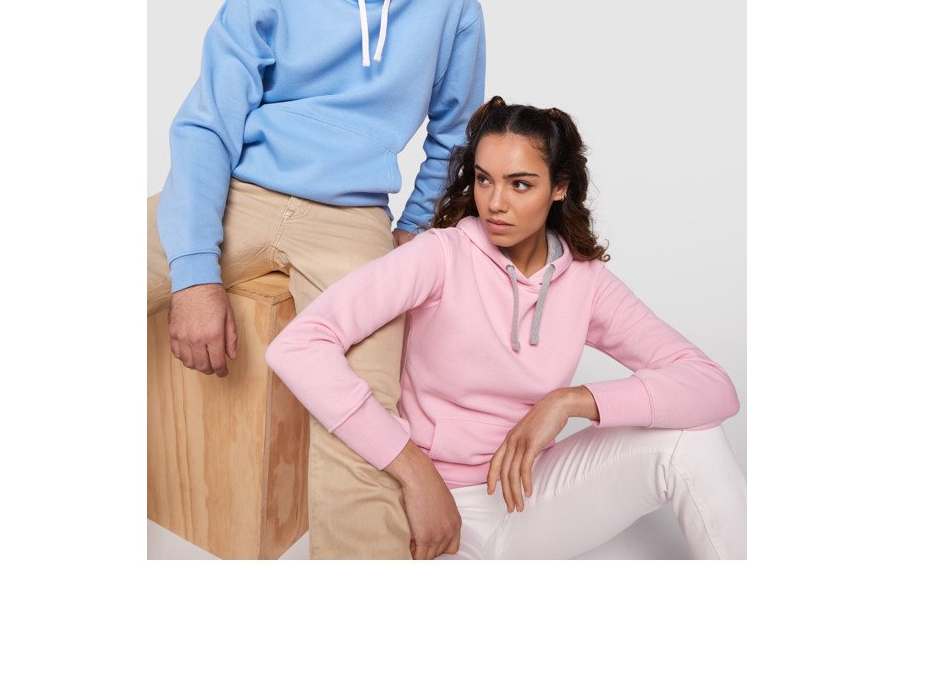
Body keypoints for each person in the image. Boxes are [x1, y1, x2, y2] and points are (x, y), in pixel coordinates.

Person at [147, 0, 486, 560]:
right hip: (239, 190)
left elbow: (455, 141)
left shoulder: (454, 13)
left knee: (362, 417)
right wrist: (195, 276)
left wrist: (411, 235)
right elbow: (205, 127)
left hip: (353, 222)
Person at [265, 97, 746, 559]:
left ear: (559, 188)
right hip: (438, 502)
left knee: (692, 441)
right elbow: (299, 346)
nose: (495, 203)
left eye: (520, 184)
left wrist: (571, 401)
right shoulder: (440, 255)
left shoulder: (587, 282)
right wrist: (413, 471)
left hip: (531, 493)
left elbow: (712, 386)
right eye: (484, 180)